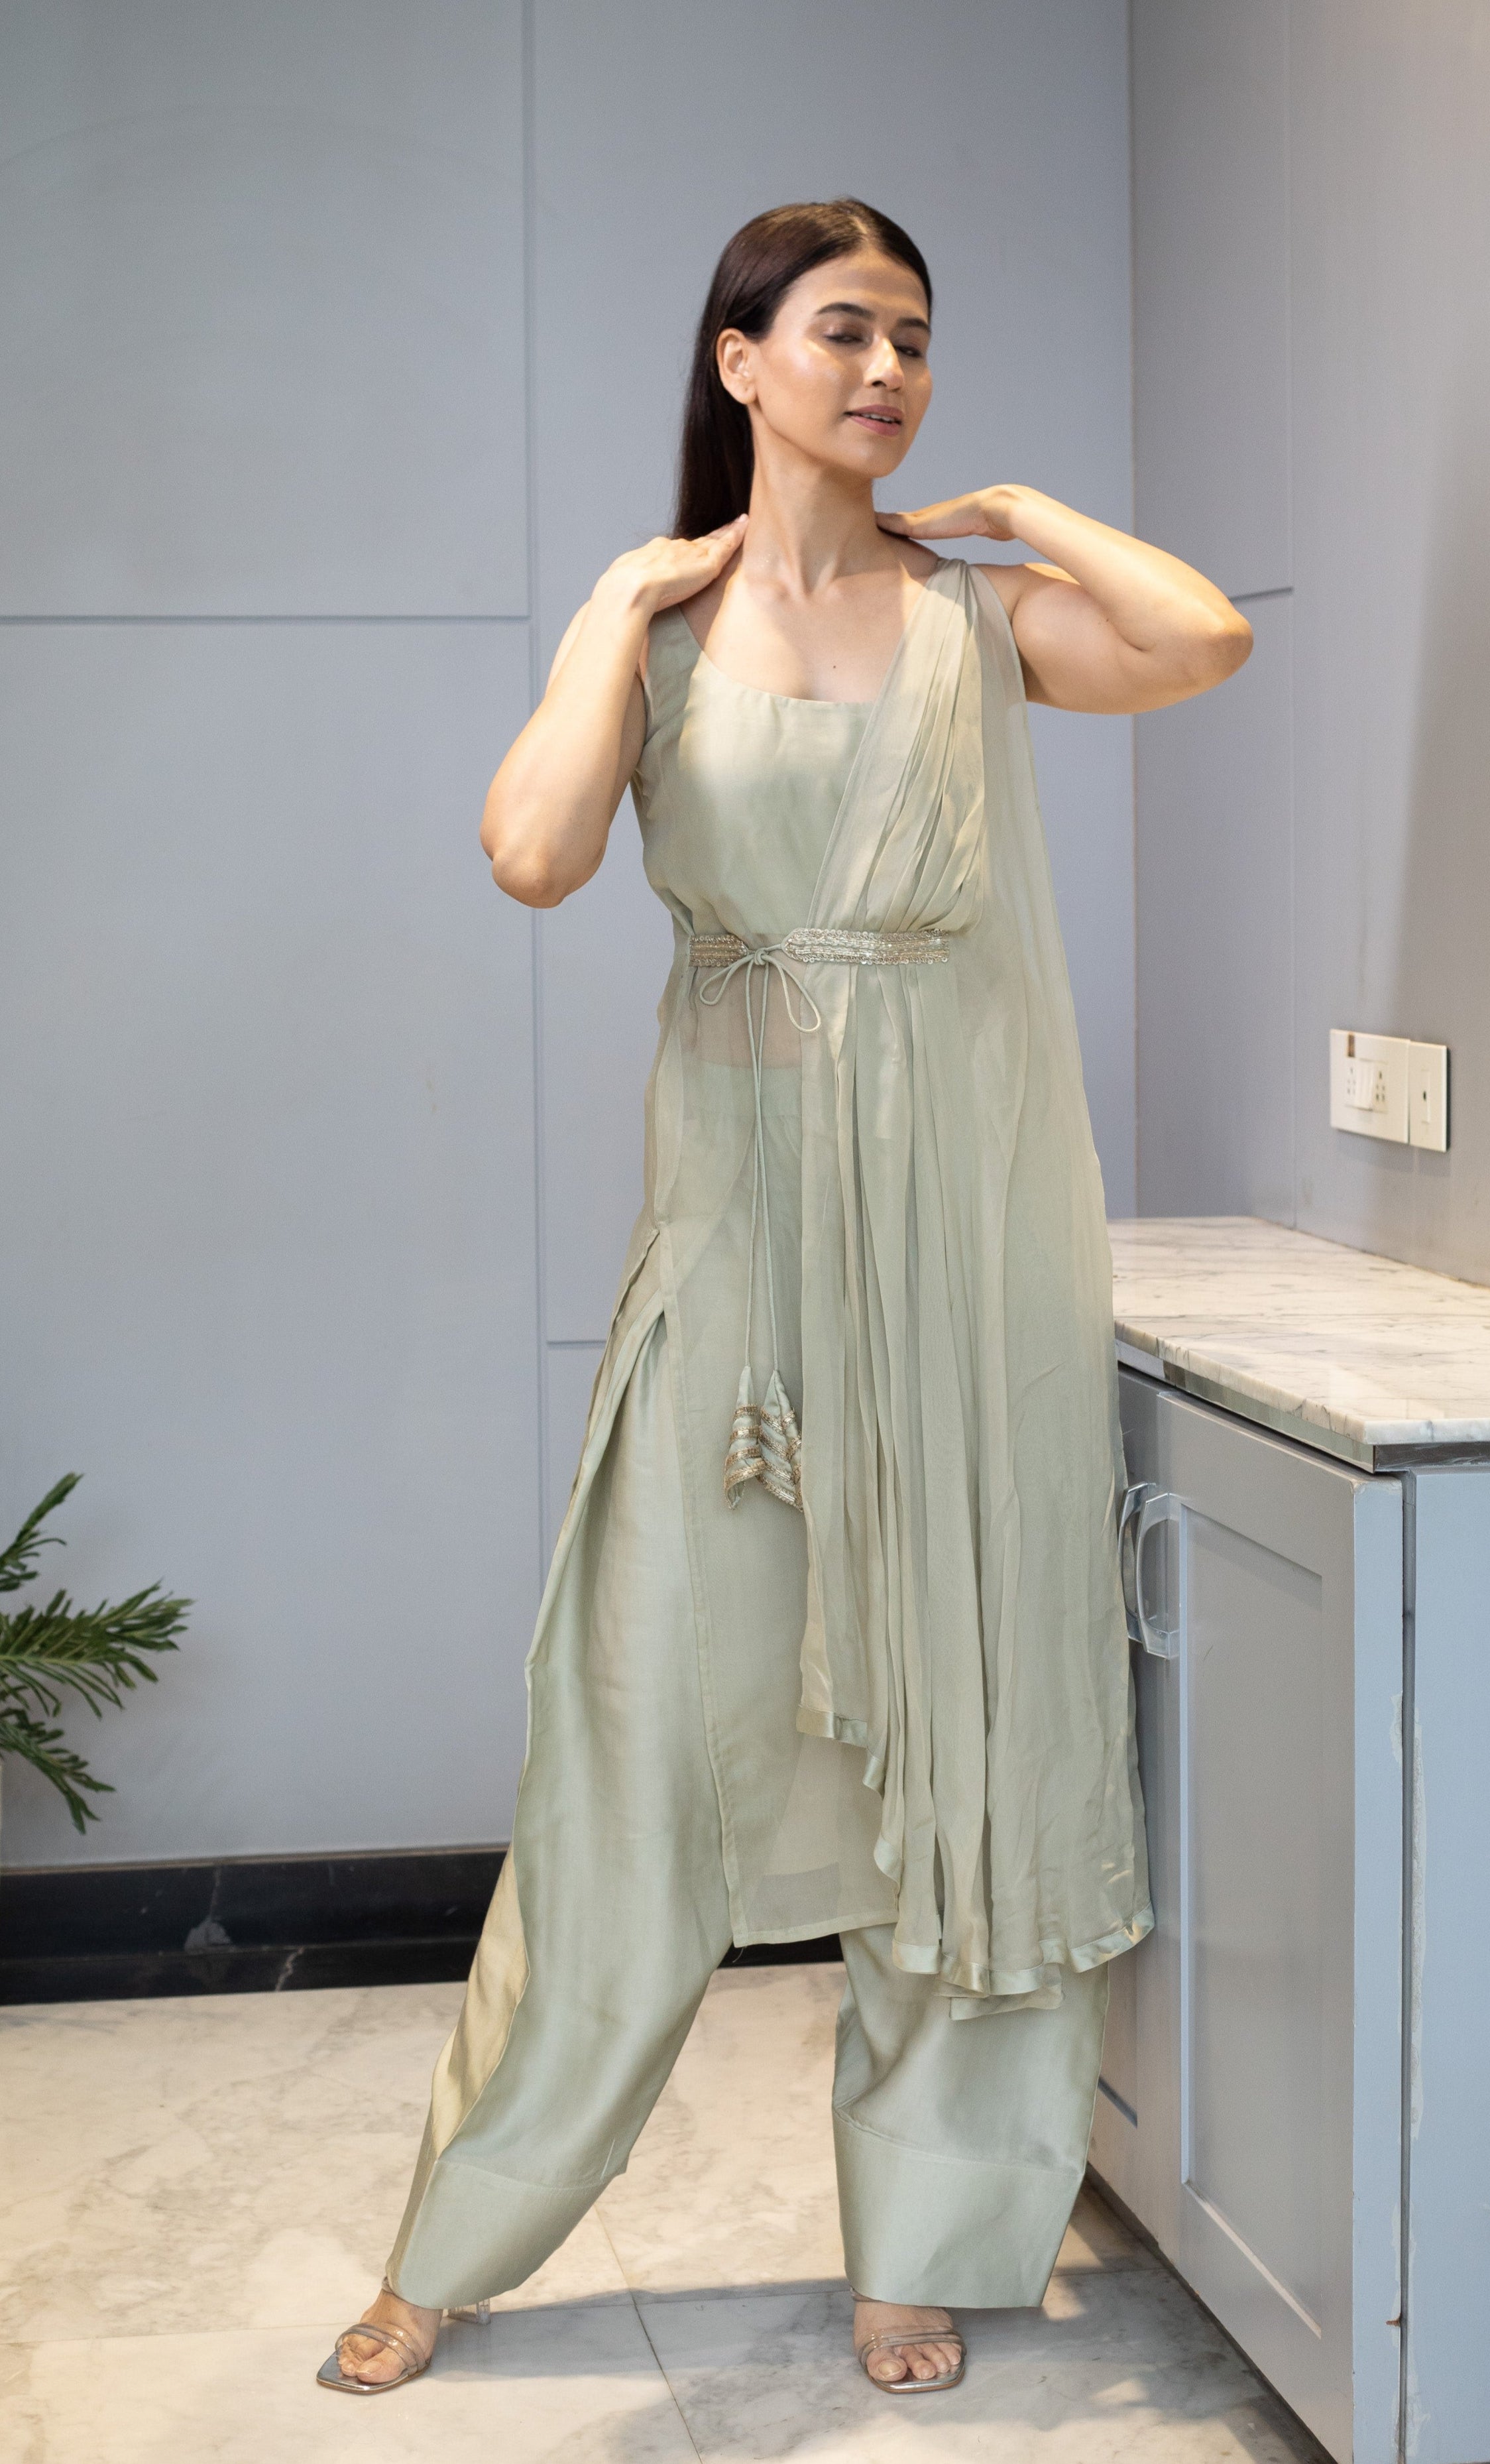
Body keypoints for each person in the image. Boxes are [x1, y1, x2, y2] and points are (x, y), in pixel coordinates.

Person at [317, 197, 1250, 2402]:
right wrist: (593, 621)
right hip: (739, 1264)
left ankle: (924, 2246)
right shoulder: (652, 637)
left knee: (979, 1739)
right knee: (636, 1749)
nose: (888, 372)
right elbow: (535, 854)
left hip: (969, 1265)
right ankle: (462, 2238)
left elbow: (1201, 640)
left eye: (916, 338)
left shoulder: (985, 620)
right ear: (739, 363)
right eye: (841, 331)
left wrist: (1025, 513)